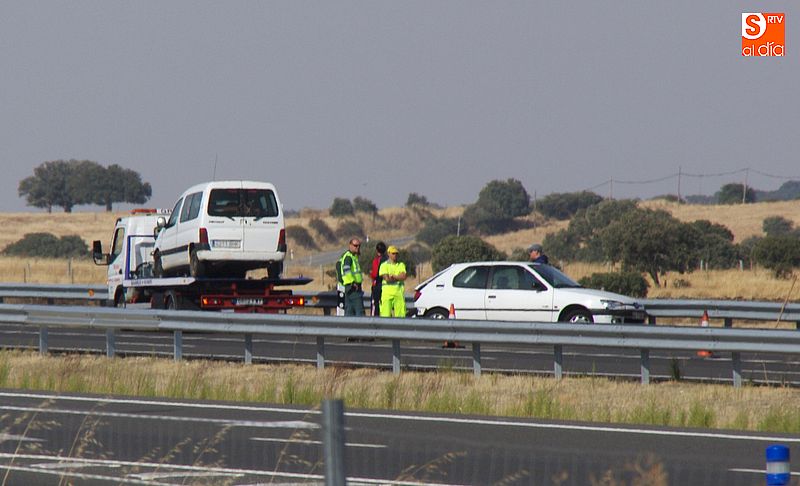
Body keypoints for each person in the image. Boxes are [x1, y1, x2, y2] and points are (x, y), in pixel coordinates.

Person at [338, 238, 364, 316]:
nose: (358, 247)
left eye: (359, 246)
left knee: (350, 311)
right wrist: (353, 282)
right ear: (350, 245)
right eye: (355, 245)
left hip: (349, 287)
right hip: (353, 287)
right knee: (359, 311)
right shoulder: (349, 257)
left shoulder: (352, 256)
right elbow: (346, 269)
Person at [378, 246, 407, 318]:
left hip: (398, 294)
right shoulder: (384, 265)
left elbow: (403, 276)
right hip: (387, 294)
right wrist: (398, 277)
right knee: (385, 315)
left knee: (401, 316)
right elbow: (386, 278)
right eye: (393, 253)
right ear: (389, 254)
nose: (395, 255)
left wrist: (393, 276)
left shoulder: (401, 265)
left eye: (396, 253)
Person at [369, 241, 388, 316]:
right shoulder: (387, 260)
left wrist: (371, 273)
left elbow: (375, 274)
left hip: (377, 285)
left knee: (375, 305)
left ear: (377, 250)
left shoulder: (377, 260)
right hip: (386, 286)